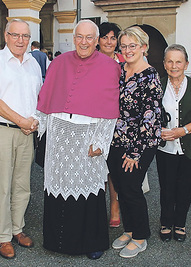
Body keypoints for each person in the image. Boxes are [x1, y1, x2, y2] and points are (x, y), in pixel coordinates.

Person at [36, 19, 120, 260]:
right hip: (60, 132)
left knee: (89, 188)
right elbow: (47, 96)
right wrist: (40, 125)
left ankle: (91, 242)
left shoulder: (109, 66)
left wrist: (101, 141)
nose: (84, 42)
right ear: (74, 39)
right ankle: (57, 240)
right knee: (59, 184)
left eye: (89, 38)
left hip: (88, 134)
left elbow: (110, 108)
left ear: (97, 41)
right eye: (79, 37)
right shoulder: (59, 62)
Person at [0, 18, 41, 259]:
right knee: (2, 186)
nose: (20, 40)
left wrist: (33, 120)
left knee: (22, 184)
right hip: (0, 131)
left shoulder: (33, 63)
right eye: (15, 35)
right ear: (6, 36)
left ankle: (17, 229)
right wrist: (22, 121)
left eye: (25, 36)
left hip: (26, 132)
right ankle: (3, 237)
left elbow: (38, 96)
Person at [107, 26, 162, 258]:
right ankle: (129, 229)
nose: (128, 50)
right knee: (120, 187)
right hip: (116, 140)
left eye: (133, 46)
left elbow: (151, 116)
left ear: (143, 47)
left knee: (131, 187)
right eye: (124, 46)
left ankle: (140, 236)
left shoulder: (150, 76)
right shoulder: (119, 69)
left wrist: (135, 152)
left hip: (141, 143)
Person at [157, 44, 191, 242]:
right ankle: (165, 222)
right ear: (164, 64)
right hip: (165, 148)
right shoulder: (158, 85)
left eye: (178, 61)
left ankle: (180, 223)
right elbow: (151, 115)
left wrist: (183, 130)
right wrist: (158, 131)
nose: (174, 65)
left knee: (186, 187)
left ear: (186, 63)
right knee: (166, 186)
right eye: (170, 61)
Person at [97, 21, 124, 228]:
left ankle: (115, 206)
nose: (109, 41)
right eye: (105, 37)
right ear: (98, 40)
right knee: (96, 166)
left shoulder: (124, 62)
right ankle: (96, 207)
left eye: (113, 37)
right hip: (95, 120)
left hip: (118, 122)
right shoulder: (91, 60)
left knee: (114, 168)